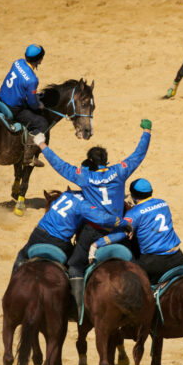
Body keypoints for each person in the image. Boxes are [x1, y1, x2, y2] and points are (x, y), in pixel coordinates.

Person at [33, 119, 152, 303]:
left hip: (94, 233)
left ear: (89, 162)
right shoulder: (119, 171)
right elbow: (138, 154)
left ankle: (79, 309)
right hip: (119, 231)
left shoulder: (83, 176)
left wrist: (42, 145)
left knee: (74, 265)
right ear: (106, 161)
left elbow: (59, 164)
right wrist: (146, 132)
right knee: (139, 257)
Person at [10, 189, 127, 314]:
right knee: (74, 264)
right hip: (58, 241)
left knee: (22, 255)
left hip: (38, 233)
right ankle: (76, 308)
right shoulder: (84, 205)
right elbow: (103, 219)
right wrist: (124, 223)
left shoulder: (67, 194)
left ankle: (12, 293)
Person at [95, 178, 183, 285]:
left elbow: (120, 233)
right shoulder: (163, 203)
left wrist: (97, 244)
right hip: (177, 256)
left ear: (133, 196)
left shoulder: (134, 213)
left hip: (154, 263)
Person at [0, 44, 53, 166]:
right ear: (39, 60)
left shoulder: (17, 62)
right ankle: (28, 157)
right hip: (13, 108)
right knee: (41, 123)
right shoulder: (32, 79)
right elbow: (32, 103)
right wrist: (39, 105)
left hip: (0, 98)